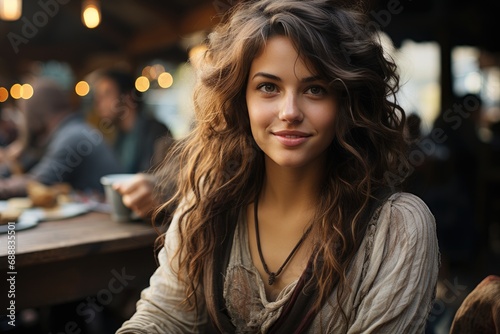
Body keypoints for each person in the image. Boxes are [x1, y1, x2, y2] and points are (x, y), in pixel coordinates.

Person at [116, 1, 440, 333]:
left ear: (347, 102)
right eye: (268, 87)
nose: (289, 111)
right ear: (241, 99)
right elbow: (161, 318)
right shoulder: (207, 206)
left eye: (315, 89)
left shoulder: (396, 229)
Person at [0, 78, 123, 199]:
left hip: (107, 214)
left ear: (36, 114)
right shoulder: (71, 130)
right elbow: (29, 165)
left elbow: (37, 183)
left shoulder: (72, 137)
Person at [93, 69, 175, 219]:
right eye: (98, 96)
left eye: (107, 94)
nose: (99, 102)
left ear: (128, 97)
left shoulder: (157, 132)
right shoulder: (118, 135)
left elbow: (162, 184)